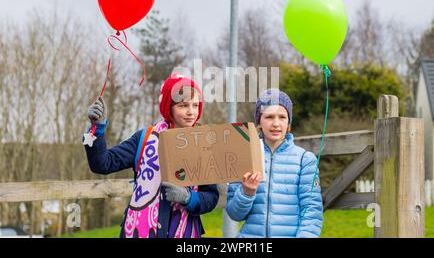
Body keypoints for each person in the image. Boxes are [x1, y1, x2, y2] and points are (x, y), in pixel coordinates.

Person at [83, 72, 219, 238]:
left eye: (195, 105)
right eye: (183, 105)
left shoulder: (205, 145)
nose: (191, 112)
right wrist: (97, 129)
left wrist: (188, 198)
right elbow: (102, 163)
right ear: (169, 107)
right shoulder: (144, 138)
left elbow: (211, 198)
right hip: (138, 231)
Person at [226, 88, 323, 238]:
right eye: (269, 117)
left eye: (282, 117)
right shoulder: (243, 156)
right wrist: (247, 193)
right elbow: (235, 214)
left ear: (289, 122)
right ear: (259, 122)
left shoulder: (305, 159)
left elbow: (311, 211)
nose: (276, 123)